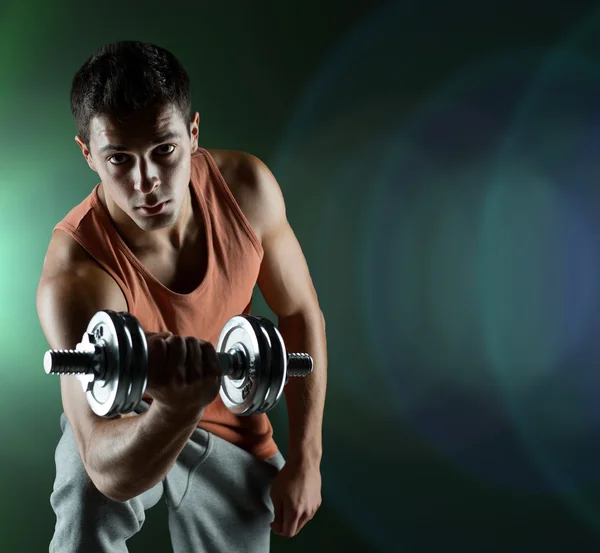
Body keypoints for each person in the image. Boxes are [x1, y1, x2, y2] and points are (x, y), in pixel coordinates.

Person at [36, 40, 327, 553]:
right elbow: (104, 465)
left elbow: (299, 313)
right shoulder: (78, 272)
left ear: (193, 133)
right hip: (130, 427)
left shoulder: (246, 191)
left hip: (233, 431)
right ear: (88, 154)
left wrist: (307, 459)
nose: (146, 182)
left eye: (164, 150)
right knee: (85, 500)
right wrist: (174, 409)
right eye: (119, 159)